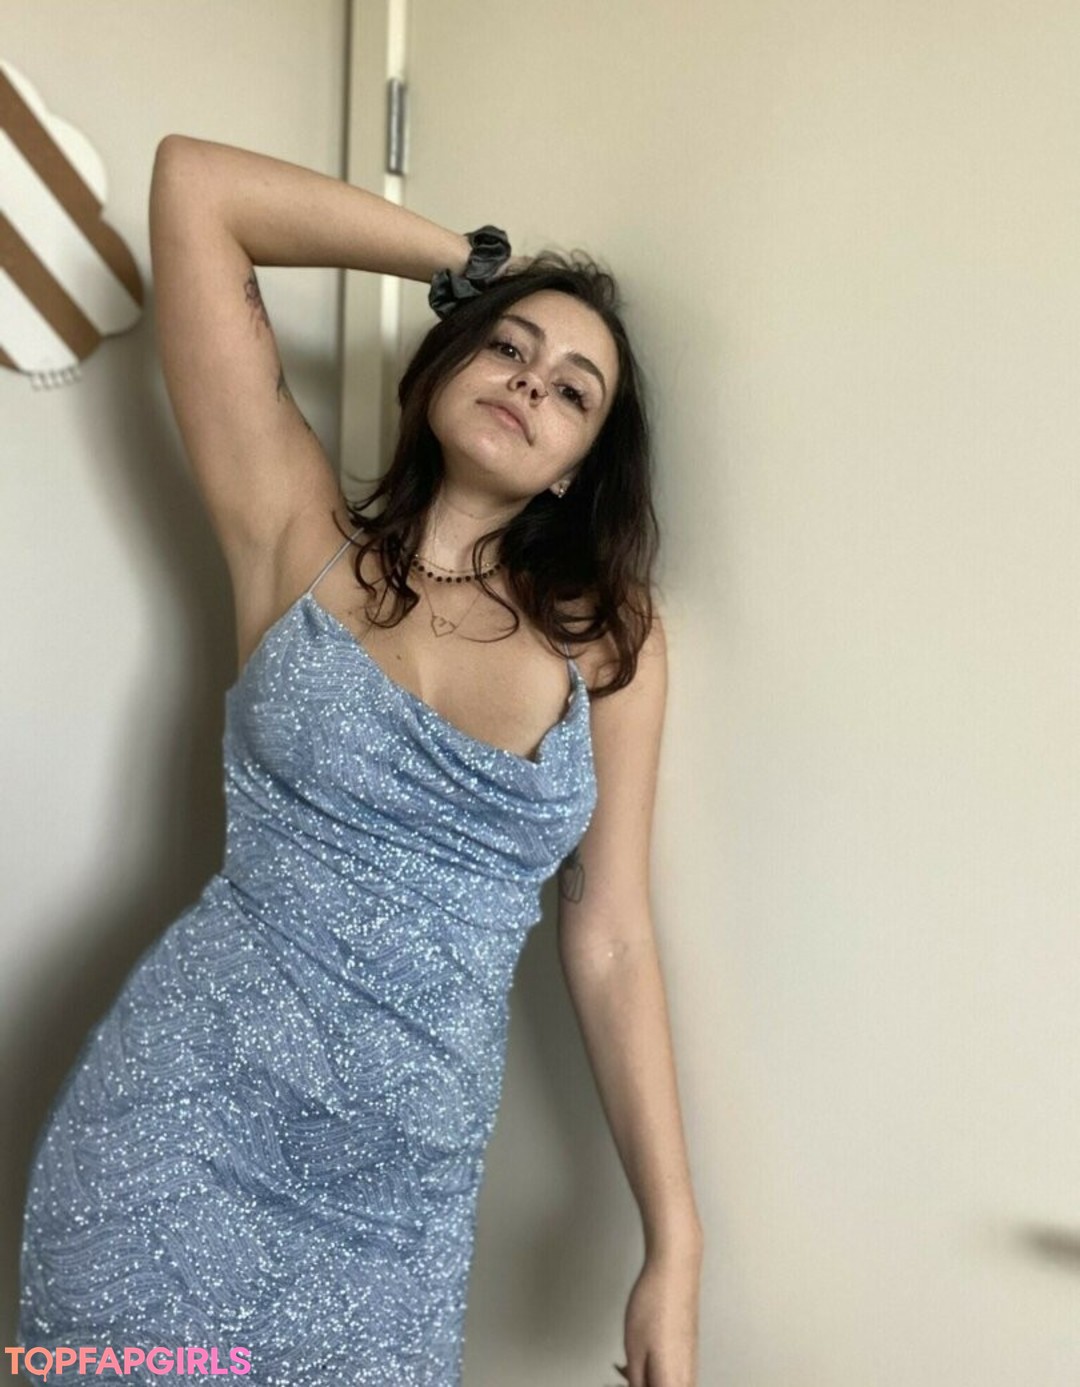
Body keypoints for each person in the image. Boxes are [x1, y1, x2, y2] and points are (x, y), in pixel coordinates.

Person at [15, 136, 702, 1387]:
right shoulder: (293, 529)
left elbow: (609, 939)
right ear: (448, 355)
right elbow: (195, 190)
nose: (531, 381)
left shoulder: (610, 644)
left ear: (577, 469)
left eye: (573, 391)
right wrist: (466, 263)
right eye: (508, 346)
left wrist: (675, 1243)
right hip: (178, 1134)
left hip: (396, 1208)